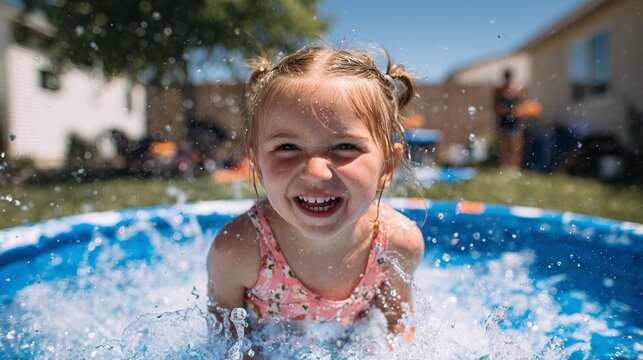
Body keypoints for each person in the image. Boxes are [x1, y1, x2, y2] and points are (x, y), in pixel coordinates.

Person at [206, 47, 424, 339]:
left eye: (344, 147)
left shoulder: (397, 243)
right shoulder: (238, 251)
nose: (315, 172)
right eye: (287, 148)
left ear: (388, 165)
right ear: (256, 164)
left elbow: (399, 325)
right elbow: (226, 338)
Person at [493, 69, 526, 170]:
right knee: (504, 144)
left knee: (515, 144)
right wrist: (503, 110)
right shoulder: (499, 90)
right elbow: (495, 105)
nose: (508, 80)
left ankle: (514, 167)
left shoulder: (518, 90)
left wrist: (517, 111)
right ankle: (504, 166)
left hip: (515, 120)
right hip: (504, 120)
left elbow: (523, 105)